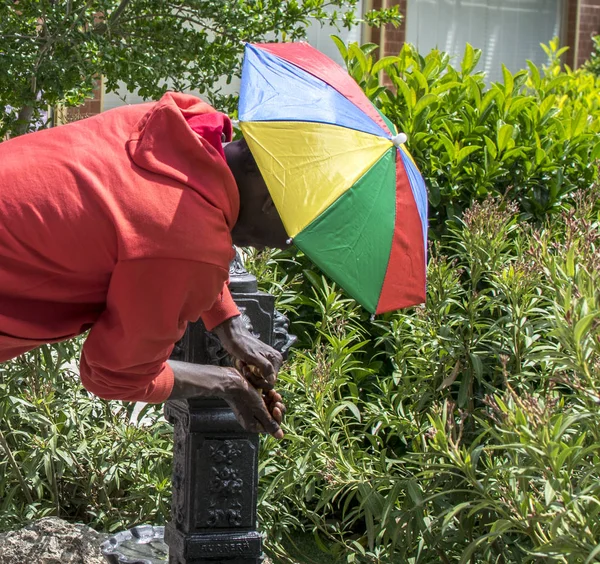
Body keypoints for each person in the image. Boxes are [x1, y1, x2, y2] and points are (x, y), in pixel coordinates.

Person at [0, 92, 288, 439]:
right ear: (271, 204)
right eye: (291, 235)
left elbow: (165, 213)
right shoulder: (189, 245)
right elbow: (115, 374)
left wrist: (229, 324)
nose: (275, 246)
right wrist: (227, 383)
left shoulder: (184, 123)